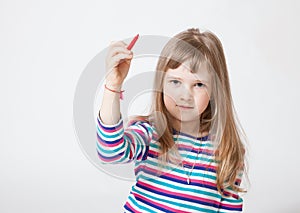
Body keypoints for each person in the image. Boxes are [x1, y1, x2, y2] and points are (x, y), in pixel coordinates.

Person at [96, 28, 247, 212]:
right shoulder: (151, 133)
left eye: (198, 85)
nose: (185, 95)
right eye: (175, 82)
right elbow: (109, 152)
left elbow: (229, 207)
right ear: (162, 84)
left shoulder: (227, 149)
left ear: (215, 89)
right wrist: (113, 85)